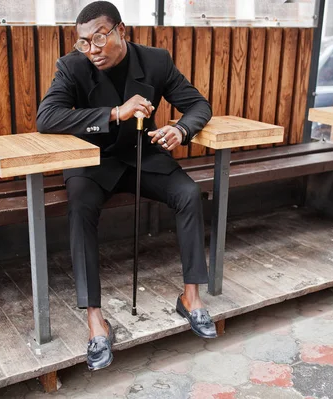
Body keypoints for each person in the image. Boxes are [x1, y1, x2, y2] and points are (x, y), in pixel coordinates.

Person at [36, 0, 216, 371]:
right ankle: (95, 321)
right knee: (81, 208)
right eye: (83, 42)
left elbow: (198, 105)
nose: (92, 50)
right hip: (92, 162)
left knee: (188, 193)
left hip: (141, 154)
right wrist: (115, 113)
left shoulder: (156, 61)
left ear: (121, 30)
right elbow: (46, 117)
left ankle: (191, 299)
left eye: (99, 38)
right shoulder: (71, 67)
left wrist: (181, 130)